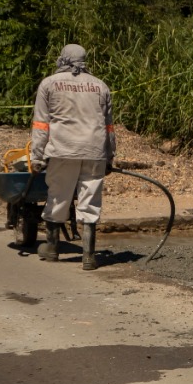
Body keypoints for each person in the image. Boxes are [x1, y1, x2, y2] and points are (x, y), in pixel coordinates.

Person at [30, 44, 116, 270]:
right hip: (94, 150)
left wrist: (36, 157)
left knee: (58, 196)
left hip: (63, 149)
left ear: (63, 59)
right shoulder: (100, 86)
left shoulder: (48, 84)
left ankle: (52, 248)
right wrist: (109, 156)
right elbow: (108, 128)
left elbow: (41, 125)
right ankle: (88, 256)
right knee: (90, 200)